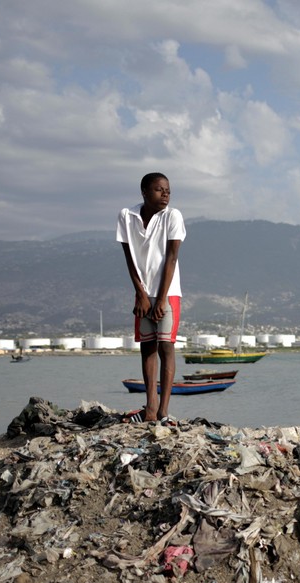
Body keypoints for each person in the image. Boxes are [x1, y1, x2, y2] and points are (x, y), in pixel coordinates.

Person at [117, 172, 186, 422]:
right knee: (147, 348)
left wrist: (161, 299)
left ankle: (164, 411)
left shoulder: (172, 216)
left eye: (168, 189)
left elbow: (171, 257)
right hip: (143, 294)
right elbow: (129, 257)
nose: (166, 193)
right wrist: (141, 294)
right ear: (144, 192)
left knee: (166, 347)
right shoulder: (127, 216)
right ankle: (151, 409)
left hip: (168, 293)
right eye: (159, 189)